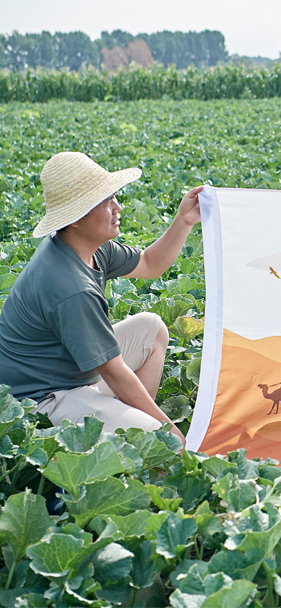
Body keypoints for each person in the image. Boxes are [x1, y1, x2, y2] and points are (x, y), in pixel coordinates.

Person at [0, 151, 203, 446]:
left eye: (114, 197)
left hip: (73, 373)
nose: (117, 207)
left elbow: (149, 263)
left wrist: (184, 221)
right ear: (77, 217)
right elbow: (114, 371)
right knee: (158, 440)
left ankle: (126, 426)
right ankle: (139, 445)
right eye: (106, 201)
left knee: (152, 328)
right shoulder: (70, 287)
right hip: (41, 401)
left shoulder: (87, 247)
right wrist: (167, 430)